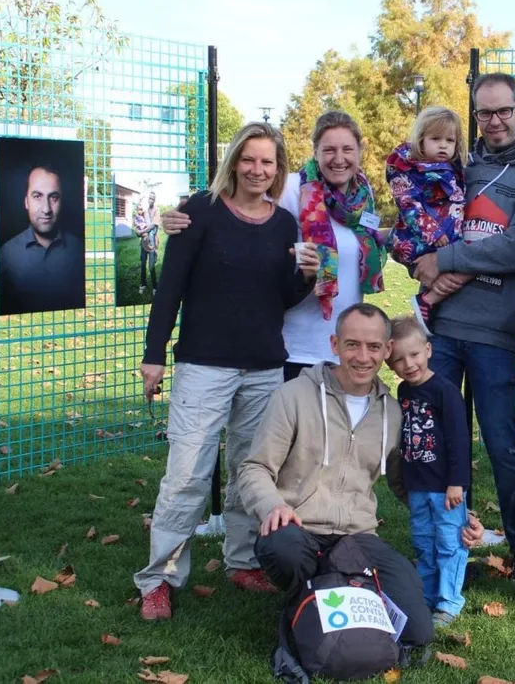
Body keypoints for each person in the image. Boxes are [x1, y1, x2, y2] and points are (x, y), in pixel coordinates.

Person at [135, 123, 318, 621]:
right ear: (234, 161)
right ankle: (159, 578)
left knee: (250, 469)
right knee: (188, 475)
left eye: (269, 163)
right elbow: (169, 286)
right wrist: (154, 355)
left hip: (262, 366)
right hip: (203, 364)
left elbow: (281, 298)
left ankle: (241, 559)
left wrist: (307, 275)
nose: (258, 170)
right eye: (250, 160)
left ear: (279, 170)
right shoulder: (200, 211)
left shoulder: (283, 224)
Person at [410, 72, 515, 583]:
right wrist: (425, 265)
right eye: (484, 113)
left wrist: (447, 259)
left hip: (494, 330)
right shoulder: (458, 171)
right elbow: (423, 230)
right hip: (444, 327)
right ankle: (449, 540)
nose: (494, 121)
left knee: (500, 441)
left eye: (503, 111)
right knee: (445, 441)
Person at [237, 303, 435, 650]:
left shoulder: (391, 411)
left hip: (356, 536)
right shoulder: (294, 396)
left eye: (374, 347)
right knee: (285, 549)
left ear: (387, 350)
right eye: (352, 344)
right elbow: (254, 467)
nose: (363, 356)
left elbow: (406, 482)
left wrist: (453, 514)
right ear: (334, 344)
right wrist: (271, 506)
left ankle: (335, 584)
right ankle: (307, 608)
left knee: (418, 632)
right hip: (298, 528)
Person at [162, 111, 387, 380]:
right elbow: (236, 201)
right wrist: (186, 213)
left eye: (347, 149)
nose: (339, 159)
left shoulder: (362, 196)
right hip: (295, 346)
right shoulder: (291, 188)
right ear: (315, 152)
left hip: (344, 345)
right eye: (329, 150)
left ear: (360, 152)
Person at [387, 316, 470, 627]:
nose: (409, 364)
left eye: (414, 354)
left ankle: (449, 601)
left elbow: (460, 441)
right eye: (398, 359)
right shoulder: (403, 392)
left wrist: (457, 483)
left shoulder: (445, 391)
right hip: (418, 486)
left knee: (449, 542)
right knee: (423, 541)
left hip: (446, 488)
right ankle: (427, 595)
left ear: (428, 349)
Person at [386, 106, 466, 332]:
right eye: (436, 139)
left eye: (450, 141)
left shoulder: (452, 169)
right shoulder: (410, 171)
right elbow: (408, 204)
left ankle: (428, 303)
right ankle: (427, 303)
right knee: (452, 273)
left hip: (447, 239)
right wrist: (432, 231)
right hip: (420, 238)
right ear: (421, 141)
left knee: (463, 271)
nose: (443, 145)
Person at [0, 162, 86, 315]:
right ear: (26, 202)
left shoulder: (79, 250)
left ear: (62, 201)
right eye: (37, 196)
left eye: (53, 197)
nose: (46, 209)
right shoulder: (6, 254)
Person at [134, 192, 161, 295]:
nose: (150, 200)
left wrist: (141, 231)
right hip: (144, 242)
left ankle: (155, 286)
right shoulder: (144, 211)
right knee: (143, 264)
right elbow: (139, 223)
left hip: (152, 242)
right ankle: (143, 284)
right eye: (149, 198)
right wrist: (138, 231)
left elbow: (153, 226)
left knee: (151, 266)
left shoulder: (156, 210)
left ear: (155, 199)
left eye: (152, 198)